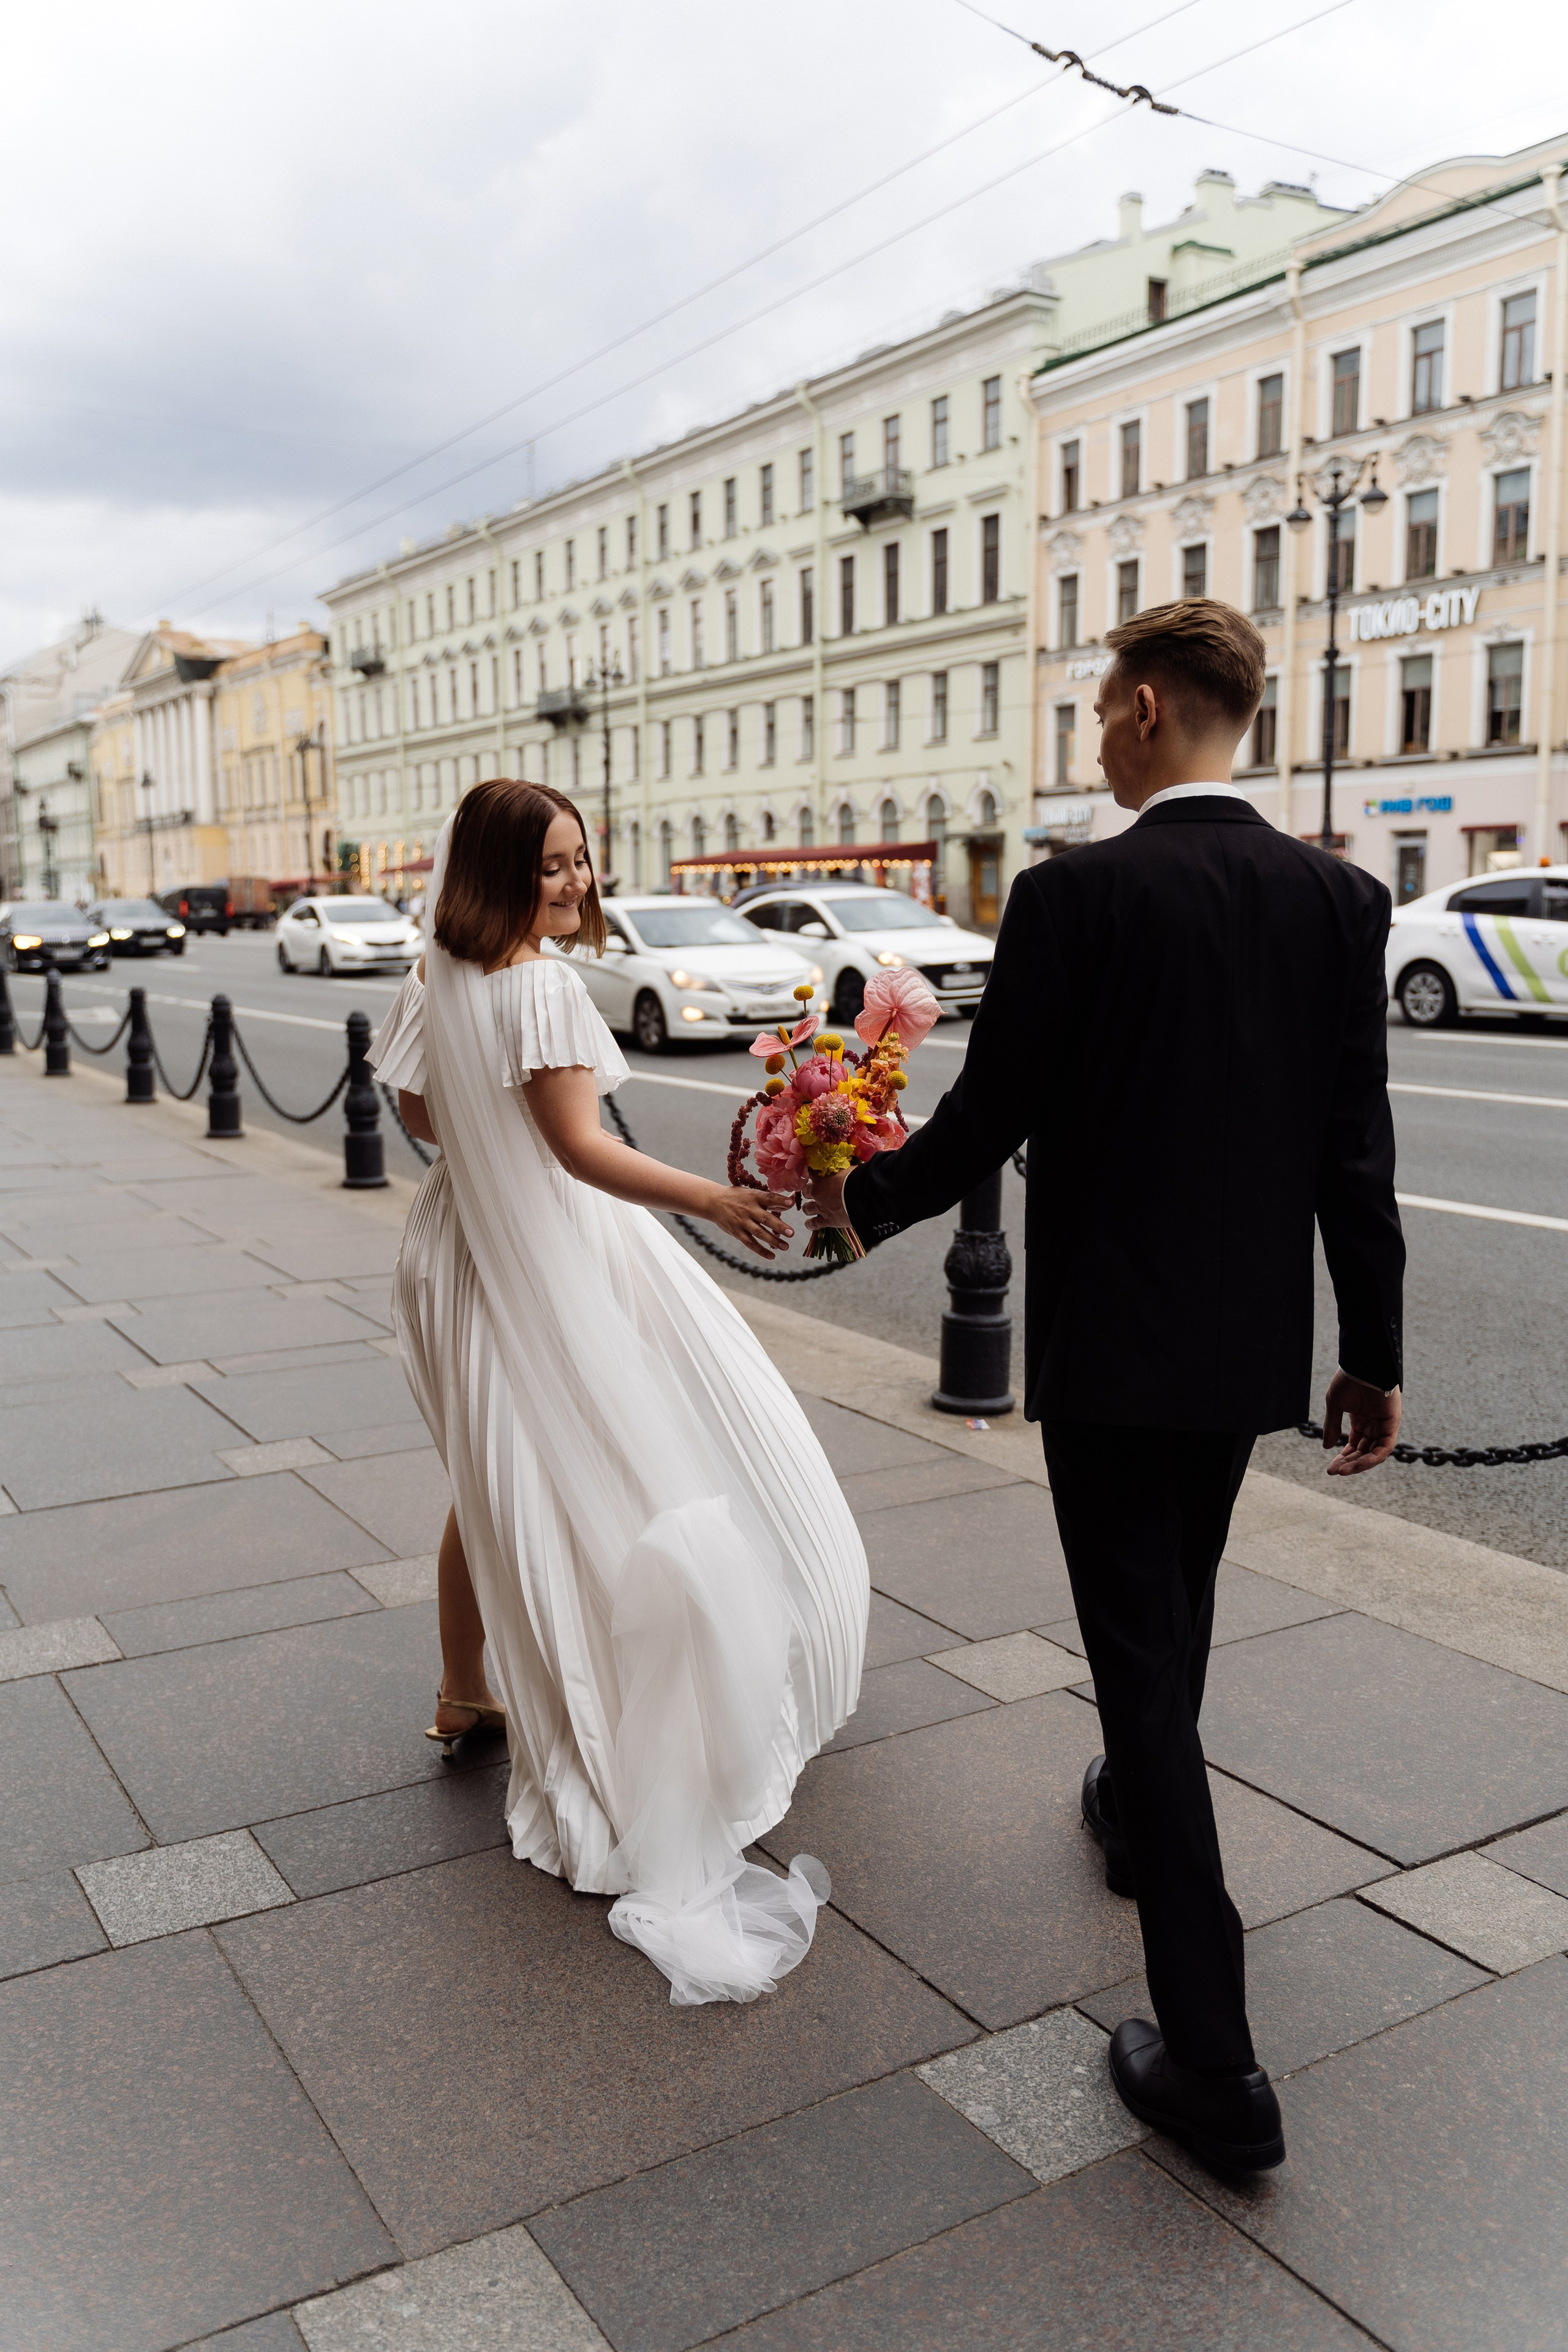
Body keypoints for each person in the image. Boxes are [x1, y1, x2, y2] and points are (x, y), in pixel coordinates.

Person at [809, 598, 1404, 2171]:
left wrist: (853, 1200)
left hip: (1110, 1348)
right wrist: (1375, 1357)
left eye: (1094, 710)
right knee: (1175, 1602)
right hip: (1239, 1352)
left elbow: (988, 1115)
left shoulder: (1076, 896)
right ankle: (1139, 1820)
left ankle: (1214, 2065)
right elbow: (1356, 1156)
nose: (1090, 735)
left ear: (1144, 707)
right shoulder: (1340, 900)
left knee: (1139, 1667)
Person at [370, 779, 867, 2005]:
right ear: (494, 871)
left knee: (495, 1479)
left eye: (582, 861)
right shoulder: (538, 986)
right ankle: (603, 1709)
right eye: (550, 866)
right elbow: (579, 1149)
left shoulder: (433, 974)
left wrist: (486, 1151)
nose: (577, 884)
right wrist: (716, 1198)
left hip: (456, 1251)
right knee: (653, 1452)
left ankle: (458, 1692)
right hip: (558, 1249)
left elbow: (418, 1110)